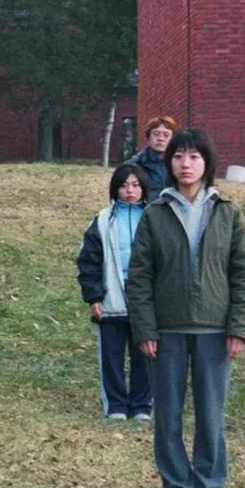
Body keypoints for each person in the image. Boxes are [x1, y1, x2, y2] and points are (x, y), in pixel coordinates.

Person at [127, 128, 245, 488]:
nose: (186, 164)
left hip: (215, 331)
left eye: (194, 156)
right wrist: (145, 329)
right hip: (167, 331)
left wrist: (238, 327)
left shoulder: (228, 212)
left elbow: (244, 274)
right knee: (167, 414)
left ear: (207, 162)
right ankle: (176, 486)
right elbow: (139, 277)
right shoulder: (155, 213)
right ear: (170, 163)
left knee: (211, 414)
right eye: (179, 156)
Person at [76, 164, 153, 421]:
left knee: (145, 355)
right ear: (115, 189)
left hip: (146, 301)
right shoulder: (102, 220)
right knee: (111, 356)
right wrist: (94, 296)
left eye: (135, 185)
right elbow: (88, 261)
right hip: (111, 300)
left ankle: (142, 405)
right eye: (123, 185)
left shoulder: (155, 218)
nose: (130, 191)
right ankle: (116, 405)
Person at [127, 116, 177, 201]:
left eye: (166, 135)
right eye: (156, 134)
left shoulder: (180, 164)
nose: (161, 139)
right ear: (148, 138)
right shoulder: (133, 165)